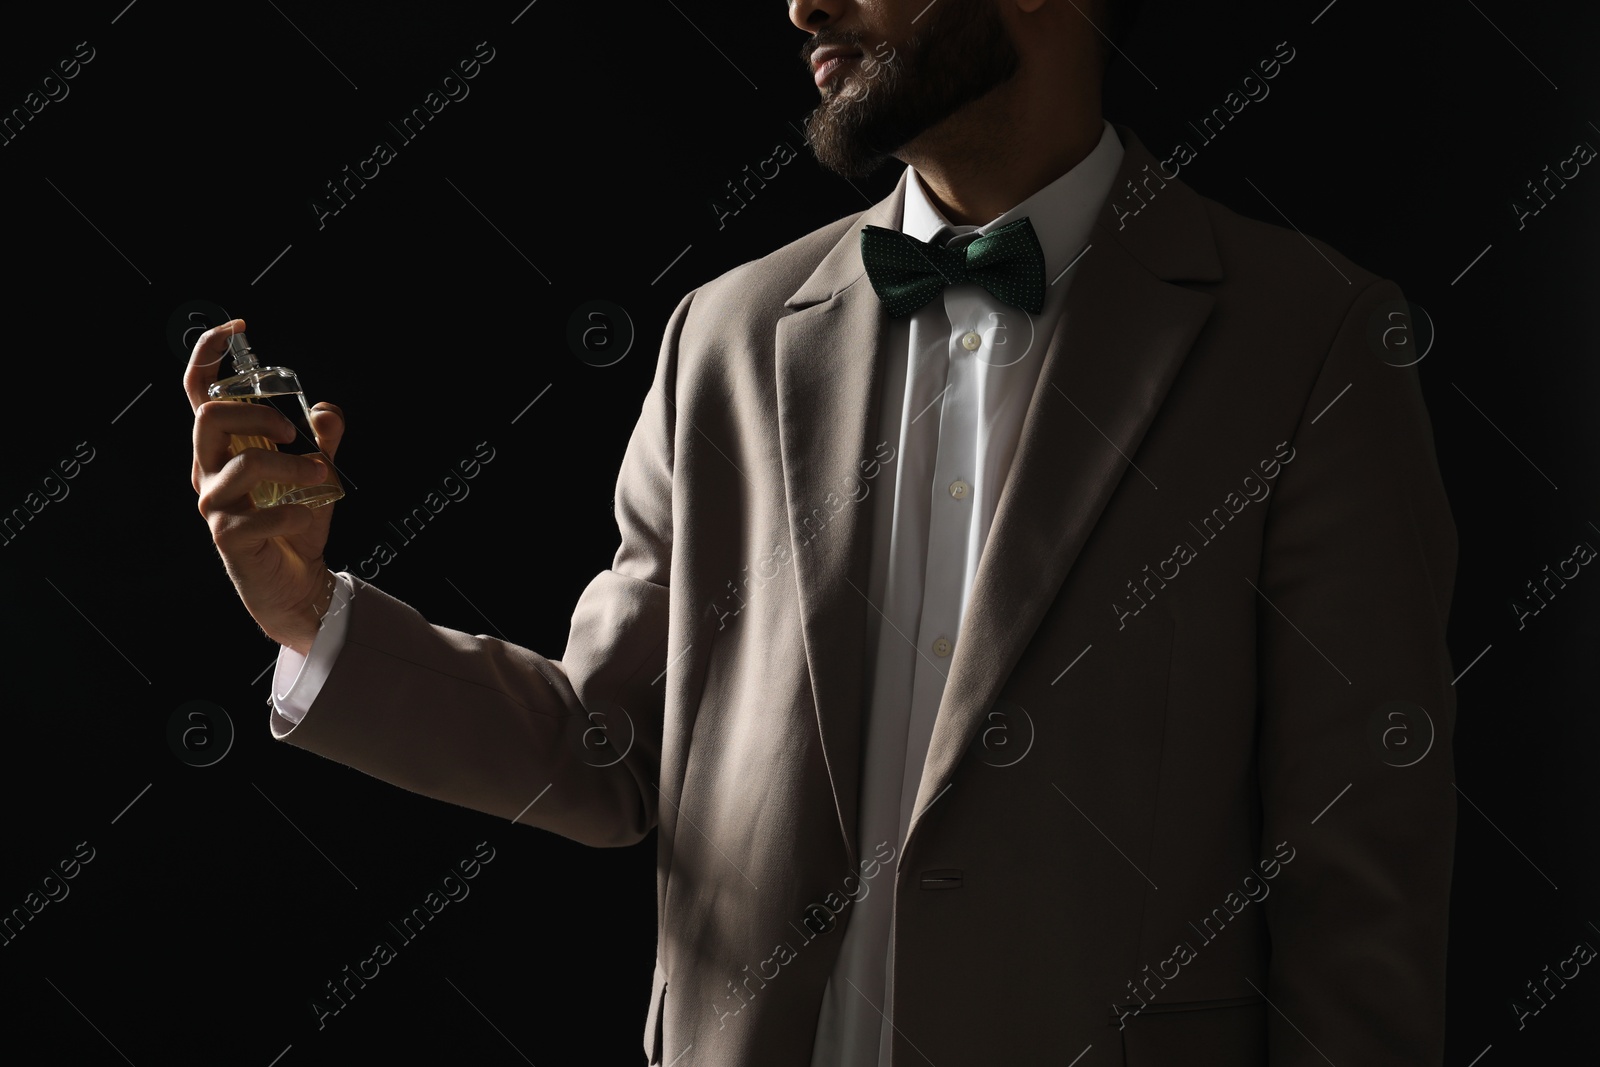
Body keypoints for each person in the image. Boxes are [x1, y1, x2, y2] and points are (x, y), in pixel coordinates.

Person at [186, 0, 1459, 1064]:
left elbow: (1359, 872)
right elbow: (602, 747)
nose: (799, 5)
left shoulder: (1308, 340)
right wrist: (309, 609)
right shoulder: (722, 340)